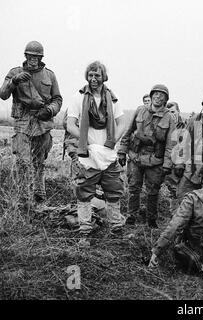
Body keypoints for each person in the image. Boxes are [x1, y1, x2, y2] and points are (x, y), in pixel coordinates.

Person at [66, 61, 127, 244]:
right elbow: (70, 124)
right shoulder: (78, 98)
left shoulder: (113, 99)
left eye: (97, 75)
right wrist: (89, 141)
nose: (93, 79)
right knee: (84, 193)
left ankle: (115, 230)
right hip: (88, 156)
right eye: (90, 75)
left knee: (114, 191)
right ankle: (85, 231)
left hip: (109, 155)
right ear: (87, 76)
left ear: (103, 77)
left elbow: (122, 122)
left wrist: (112, 141)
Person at [0, 41, 62, 203]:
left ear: (41, 57)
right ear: (26, 56)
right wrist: (14, 81)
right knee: (23, 161)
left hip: (43, 122)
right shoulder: (15, 72)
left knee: (39, 161)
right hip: (23, 121)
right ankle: (25, 199)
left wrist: (49, 110)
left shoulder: (50, 75)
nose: (34, 59)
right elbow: (3, 94)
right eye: (31, 56)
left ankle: (39, 195)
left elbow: (57, 99)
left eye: (37, 56)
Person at [118, 84, 176, 228]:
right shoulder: (140, 110)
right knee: (133, 188)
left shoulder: (170, 117)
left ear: (165, 99)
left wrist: (167, 164)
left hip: (155, 160)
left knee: (153, 190)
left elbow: (170, 143)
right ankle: (131, 216)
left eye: (161, 95)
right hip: (135, 156)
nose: (157, 97)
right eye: (155, 94)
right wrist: (122, 151)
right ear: (151, 96)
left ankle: (151, 219)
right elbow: (128, 131)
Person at [174, 93, 203, 202]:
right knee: (183, 197)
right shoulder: (194, 121)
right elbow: (184, 143)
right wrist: (180, 163)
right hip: (191, 169)